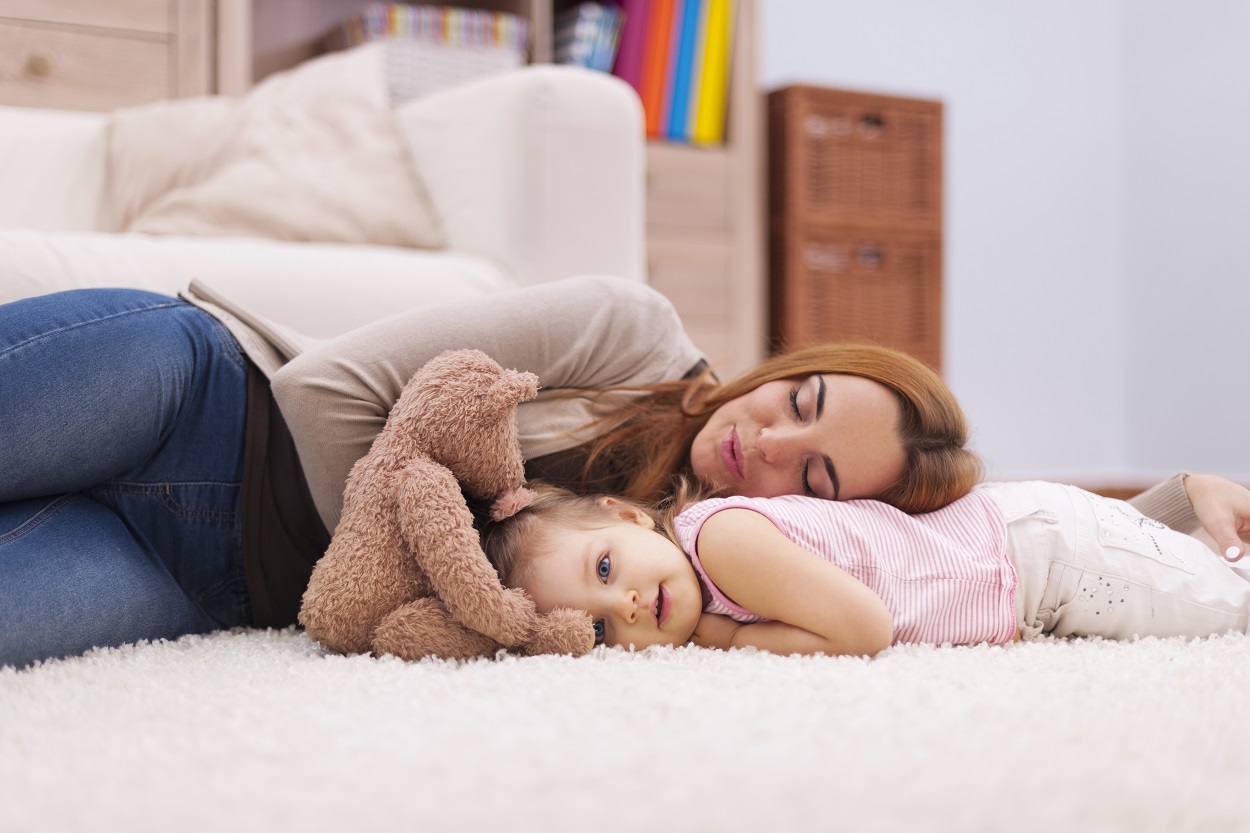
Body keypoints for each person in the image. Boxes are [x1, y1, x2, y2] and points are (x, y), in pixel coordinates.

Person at [2, 276, 1246, 667]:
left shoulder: (673, 574)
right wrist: (452, 521)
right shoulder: (626, 331)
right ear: (786, 363)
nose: (763, 442)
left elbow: (975, 550)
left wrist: (1163, 500)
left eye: (812, 479)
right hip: (204, 401)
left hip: (208, 577)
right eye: (794, 400)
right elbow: (324, 396)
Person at [482, 477, 1250, 656]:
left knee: (1228, 607)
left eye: (607, 565)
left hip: (1043, 553)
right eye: (595, 623)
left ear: (626, 514)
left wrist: (723, 639)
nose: (625, 605)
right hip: (1030, 567)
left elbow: (865, 628)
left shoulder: (721, 543)